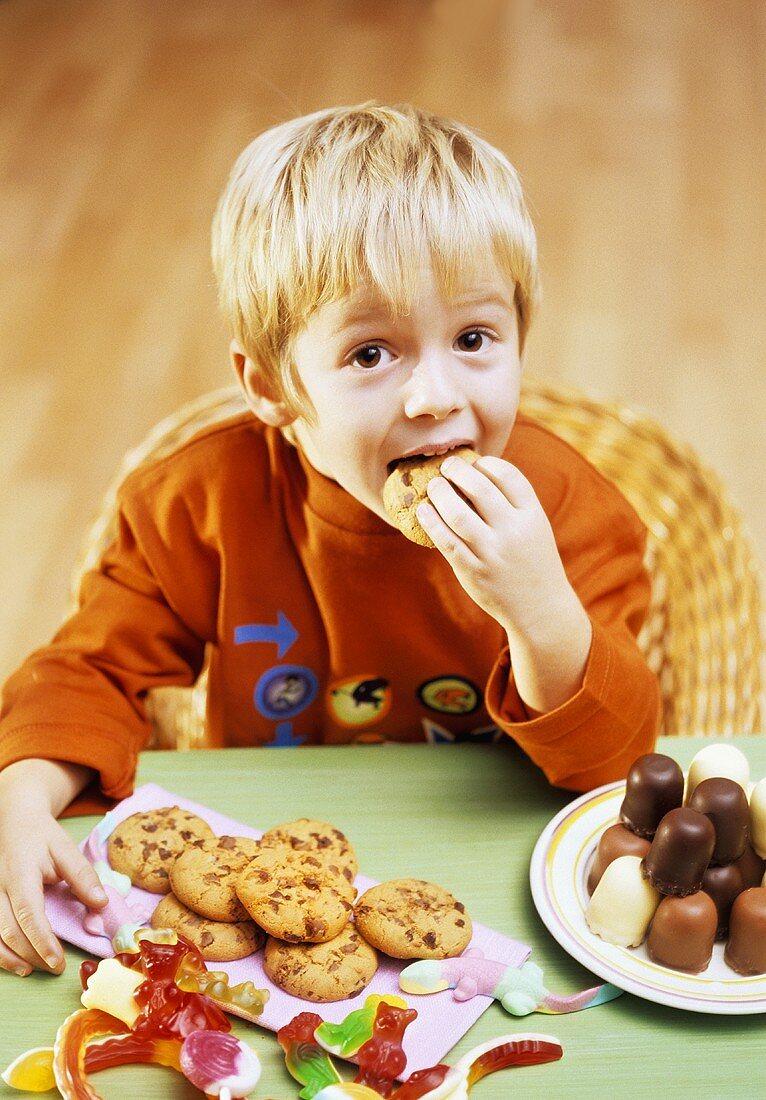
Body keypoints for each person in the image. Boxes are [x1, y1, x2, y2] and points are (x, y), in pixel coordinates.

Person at [0, 102, 661, 978]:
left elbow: (619, 763)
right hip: (269, 871)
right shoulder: (199, 504)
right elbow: (89, 672)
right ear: (272, 385)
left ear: (519, 339)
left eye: (473, 339)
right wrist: (22, 794)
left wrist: (541, 612)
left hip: (500, 883)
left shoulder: (569, 509)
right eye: (370, 354)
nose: (434, 395)